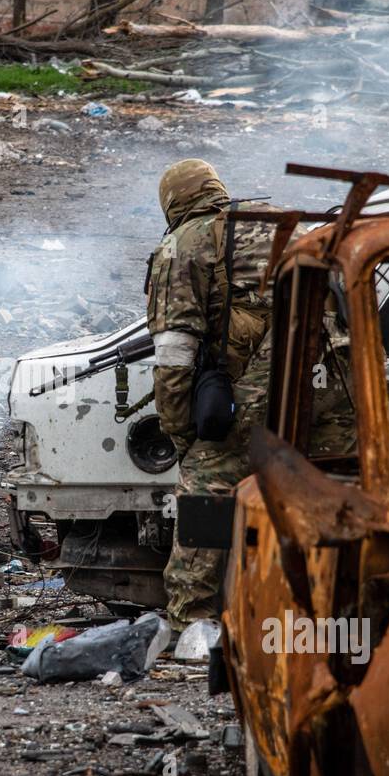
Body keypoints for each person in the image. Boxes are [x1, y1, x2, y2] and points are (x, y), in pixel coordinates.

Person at [146, 159, 273, 632]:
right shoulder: (278, 225)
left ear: (174, 203)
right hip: (331, 389)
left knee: (205, 486)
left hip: (253, 394)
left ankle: (194, 624)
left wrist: (182, 436)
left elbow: (175, 351)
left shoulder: (186, 243)